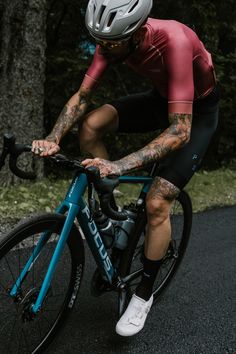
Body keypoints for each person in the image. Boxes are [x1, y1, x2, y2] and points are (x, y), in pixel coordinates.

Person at [32, 0, 220, 336]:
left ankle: (143, 296)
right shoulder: (113, 42)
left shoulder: (173, 39)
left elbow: (180, 131)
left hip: (197, 115)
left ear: (135, 33)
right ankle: (112, 216)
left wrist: (117, 163)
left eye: (110, 43)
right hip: (160, 100)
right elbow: (82, 96)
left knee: (158, 202)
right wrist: (53, 137)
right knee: (91, 125)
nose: (101, 49)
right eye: (97, 41)